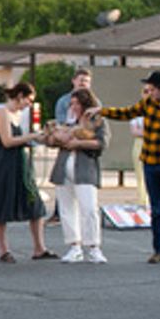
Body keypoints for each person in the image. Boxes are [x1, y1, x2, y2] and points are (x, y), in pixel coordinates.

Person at [97, 70, 160, 265]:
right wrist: (101, 111)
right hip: (151, 162)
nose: (149, 93)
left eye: (152, 89)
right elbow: (127, 113)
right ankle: (159, 249)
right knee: (156, 209)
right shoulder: (149, 103)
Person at [0, 82, 54, 262]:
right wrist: (32, 136)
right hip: (0, 166)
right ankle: (4, 251)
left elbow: (18, 140)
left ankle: (39, 248)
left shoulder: (18, 114)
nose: (29, 104)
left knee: (34, 205)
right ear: (20, 96)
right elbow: (7, 141)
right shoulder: (1, 113)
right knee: (0, 206)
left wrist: (38, 139)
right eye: (28, 100)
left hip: (19, 165)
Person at [47, 87, 110, 264]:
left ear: (85, 104)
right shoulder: (66, 120)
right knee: (67, 209)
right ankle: (74, 246)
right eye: (71, 103)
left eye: (76, 103)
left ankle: (94, 247)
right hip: (63, 168)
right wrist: (54, 138)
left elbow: (102, 143)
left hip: (85, 168)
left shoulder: (97, 121)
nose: (73, 106)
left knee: (89, 208)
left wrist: (78, 143)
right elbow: (51, 140)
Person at [50, 67, 93, 226]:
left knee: (85, 189)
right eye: (81, 81)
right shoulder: (63, 101)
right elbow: (61, 124)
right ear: (73, 81)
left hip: (86, 153)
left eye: (87, 82)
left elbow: (96, 129)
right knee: (64, 181)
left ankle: (87, 229)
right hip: (66, 147)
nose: (84, 84)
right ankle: (58, 213)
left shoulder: (95, 103)